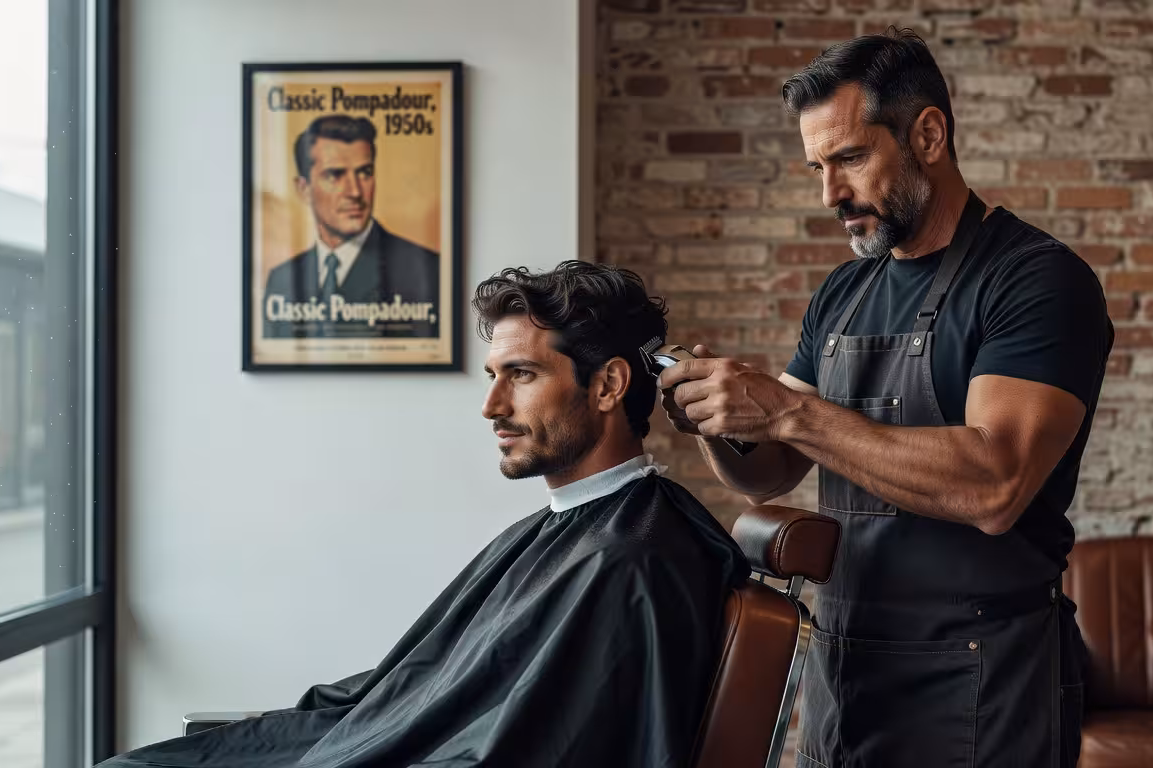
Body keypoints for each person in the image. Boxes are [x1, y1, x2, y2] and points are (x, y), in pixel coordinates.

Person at [658, 28, 1112, 768]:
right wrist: (718, 417)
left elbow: (996, 482)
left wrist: (782, 407)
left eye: (849, 159)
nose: (830, 194)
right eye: (816, 167)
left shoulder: (1036, 281)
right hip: (846, 674)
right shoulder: (843, 291)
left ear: (927, 134)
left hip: (981, 685)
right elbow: (770, 470)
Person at [102, 261, 747, 767]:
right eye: (493, 375)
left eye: (520, 374)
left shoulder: (627, 560)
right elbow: (419, 690)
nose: (491, 406)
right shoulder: (581, 530)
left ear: (607, 385)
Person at [262, 115, 440, 339]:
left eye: (364, 173)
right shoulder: (282, 280)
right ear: (303, 189)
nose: (355, 191)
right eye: (335, 175)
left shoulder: (426, 271)